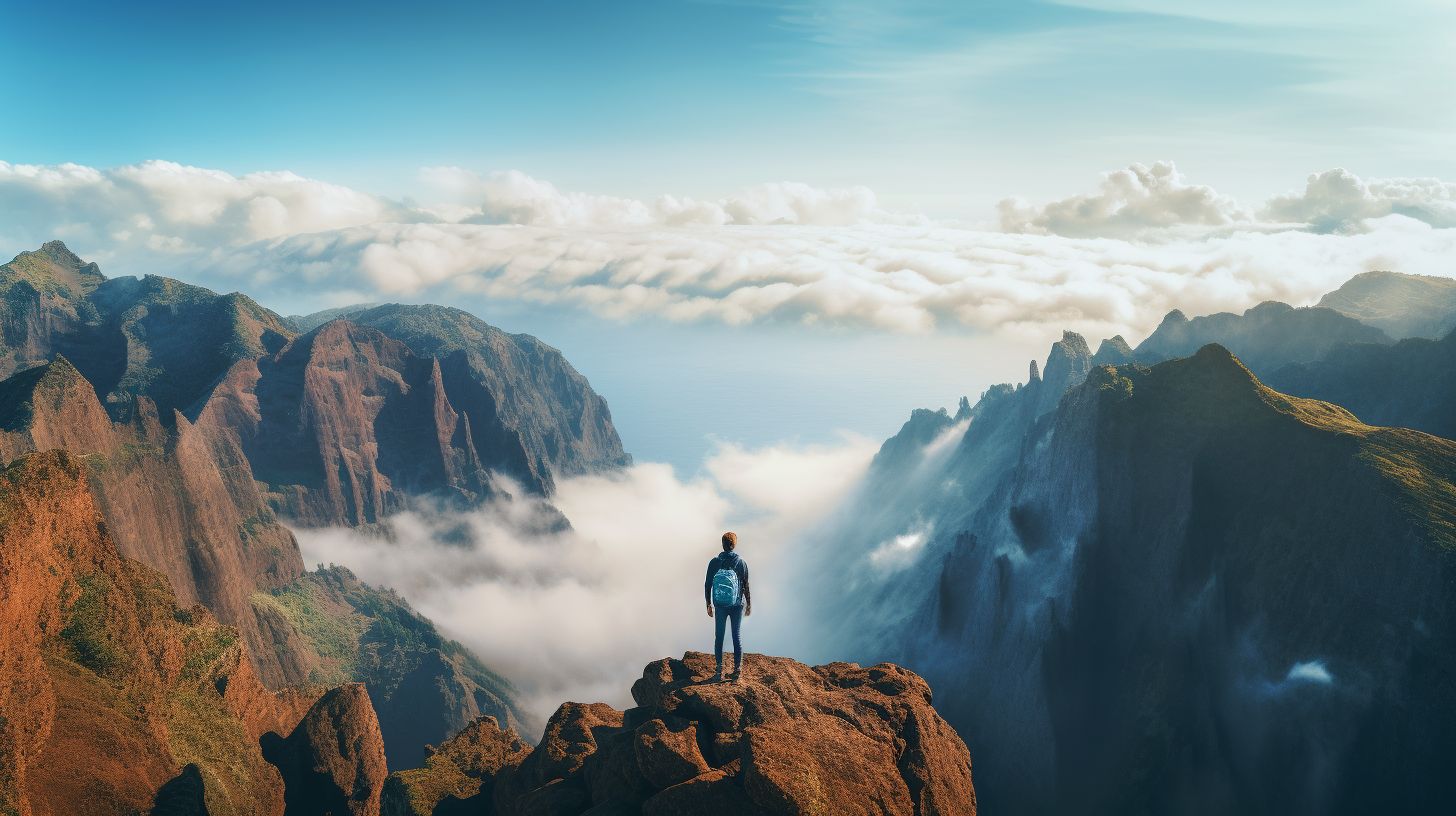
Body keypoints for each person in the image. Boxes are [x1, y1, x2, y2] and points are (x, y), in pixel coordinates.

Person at [705, 530, 751, 682]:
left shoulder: (714, 562)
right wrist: (749, 603)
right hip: (737, 605)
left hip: (720, 605)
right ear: (734, 545)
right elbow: (745, 585)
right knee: (736, 635)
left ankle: (719, 672)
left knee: (719, 637)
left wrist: (708, 604)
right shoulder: (741, 563)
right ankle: (737, 670)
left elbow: (708, 584)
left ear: (722, 544)